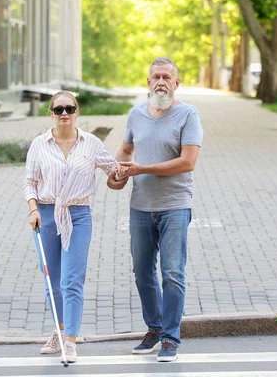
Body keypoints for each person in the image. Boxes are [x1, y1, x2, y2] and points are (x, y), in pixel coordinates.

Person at [107, 57, 203, 362]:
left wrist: (142, 169)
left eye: (166, 77)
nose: (160, 81)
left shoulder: (188, 114)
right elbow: (125, 150)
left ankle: (170, 338)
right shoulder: (136, 114)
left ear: (176, 83)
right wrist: (116, 172)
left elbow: (188, 162)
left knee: (172, 273)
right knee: (141, 272)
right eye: (155, 77)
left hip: (175, 205)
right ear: (148, 82)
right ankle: (154, 327)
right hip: (140, 207)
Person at [23, 90, 126, 363]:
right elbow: (29, 182)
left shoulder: (91, 143)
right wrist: (33, 209)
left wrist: (125, 170)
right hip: (45, 215)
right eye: (59, 110)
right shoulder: (39, 144)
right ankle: (58, 331)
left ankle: (70, 340)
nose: (65, 113)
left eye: (69, 108)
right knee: (52, 282)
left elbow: (113, 170)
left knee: (72, 280)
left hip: (78, 215)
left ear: (77, 111)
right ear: (51, 114)